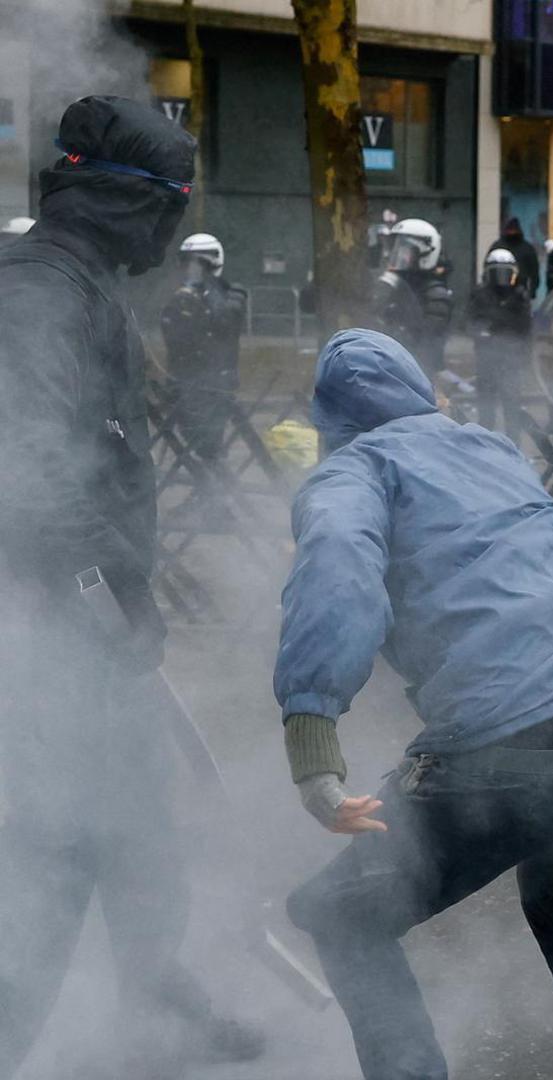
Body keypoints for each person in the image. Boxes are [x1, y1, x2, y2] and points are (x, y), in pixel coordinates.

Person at [276, 327, 553, 1080]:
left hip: (524, 752)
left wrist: (312, 742)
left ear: (330, 423)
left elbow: (337, 581)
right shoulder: (486, 446)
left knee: (341, 916)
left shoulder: (353, 471)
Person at [0, 95, 263, 1076]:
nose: (174, 232)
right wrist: (105, 594)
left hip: (83, 623)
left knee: (139, 825)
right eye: (172, 209)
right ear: (127, 202)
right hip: (53, 626)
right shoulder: (37, 295)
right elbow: (25, 473)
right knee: (62, 842)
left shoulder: (77, 279)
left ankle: (156, 998)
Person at [159, 232, 247, 462]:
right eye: (186, 262)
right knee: (196, 446)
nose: (190, 269)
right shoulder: (183, 297)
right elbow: (173, 335)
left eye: (196, 263)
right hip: (185, 381)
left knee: (209, 449)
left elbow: (224, 324)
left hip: (214, 385)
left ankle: (212, 488)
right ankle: (209, 486)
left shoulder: (228, 294)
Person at [372, 216, 453, 381]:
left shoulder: (434, 293)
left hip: (418, 375)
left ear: (425, 254)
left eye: (404, 252)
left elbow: (428, 339)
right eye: (395, 250)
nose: (398, 257)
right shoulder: (395, 285)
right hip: (391, 368)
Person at [468, 246, 533, 439]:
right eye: (497, 274)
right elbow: (470, 322)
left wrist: (525, 357)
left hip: (511, 361)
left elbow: (526, 329)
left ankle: (513, 449)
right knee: (486, 410)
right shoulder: (480, 295)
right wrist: (481, 333)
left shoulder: (520, 296)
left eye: (506, 273)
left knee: (511, 409)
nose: (502, 279)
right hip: (487, 360)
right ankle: (485, 448)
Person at [490, 215, 541, 299]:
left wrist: (531, 292)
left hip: (520, 290)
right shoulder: (498, 246)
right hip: (496, 291)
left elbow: (534, 273)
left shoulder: (527, 248)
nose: (511, 232)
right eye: (510, 230)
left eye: (513, 230)